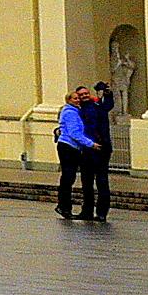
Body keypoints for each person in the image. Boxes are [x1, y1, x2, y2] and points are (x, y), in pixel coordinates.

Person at [54, 86, 99, 221]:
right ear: (68, 100)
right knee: (68, 177)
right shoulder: (70, 113)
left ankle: (65, 206)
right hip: (68, 147)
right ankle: (63, 206)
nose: (78, 100)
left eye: (78, 98)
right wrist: (91, 144)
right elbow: (74, 133)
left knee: (69, 177)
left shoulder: (74, 111)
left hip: (71, 147)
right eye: (75, 98)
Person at [76, 81, 114, 222]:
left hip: (102, 147)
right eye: (81, 95)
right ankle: (87, 211)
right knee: (86, 182)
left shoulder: (98, 106)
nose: (84, 96)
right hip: (87, 149)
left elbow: (108, 104)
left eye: (86, 93)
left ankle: (102, 212)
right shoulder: (78, 110)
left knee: (102, 181)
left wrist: (107, 93)